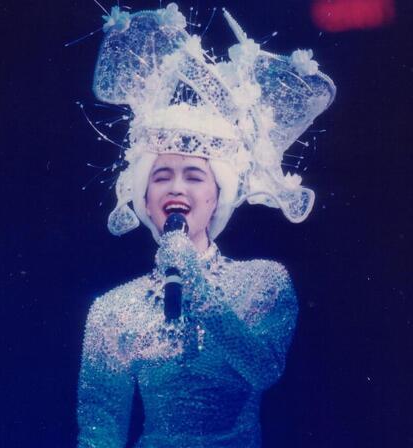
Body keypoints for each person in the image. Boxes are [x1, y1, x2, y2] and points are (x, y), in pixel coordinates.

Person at [77, 4, 336, 447]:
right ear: (144, 197)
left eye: (194, 176)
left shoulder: (263, 282)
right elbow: (100, 428)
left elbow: (263, 368)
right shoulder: (112, 310)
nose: (176, 187)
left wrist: (193, 282)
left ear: (218, 195)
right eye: (162, 176)